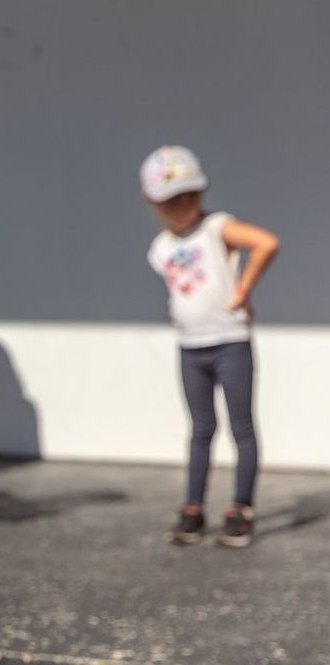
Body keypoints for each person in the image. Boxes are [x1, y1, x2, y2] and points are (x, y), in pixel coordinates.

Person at [142, 146, 279, 549]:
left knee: (241, 427)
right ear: (152, 202)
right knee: (201, 429)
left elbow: (266, 243)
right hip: (190, 348)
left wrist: (241, 291)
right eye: (171, 201)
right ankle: (193, 508)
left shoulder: (217, 228)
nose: (182, 208)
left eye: (190, 198)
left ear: (201, 194)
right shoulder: (160, 248)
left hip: (229, 344)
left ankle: (241, 510)